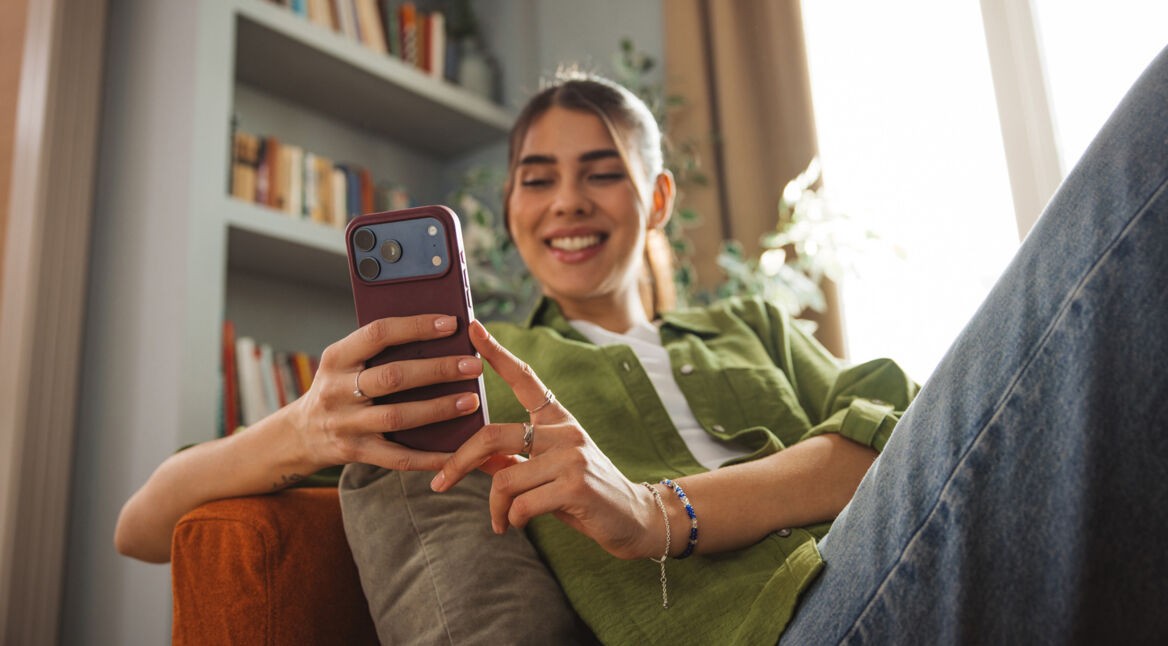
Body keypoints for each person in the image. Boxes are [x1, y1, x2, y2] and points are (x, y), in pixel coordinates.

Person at [116, 45, 1168, 644]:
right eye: (538, 175)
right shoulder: (477, 373)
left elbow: (896, 430)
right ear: (514, 207)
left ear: (655, 197)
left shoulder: (743, 324)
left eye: (603, 170)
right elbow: (142, 523)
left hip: (899, 560)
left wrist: (665, 511)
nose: (568, 200)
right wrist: (306, 423)